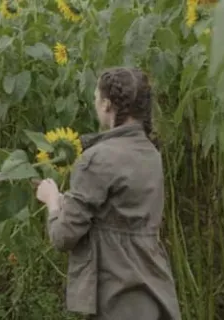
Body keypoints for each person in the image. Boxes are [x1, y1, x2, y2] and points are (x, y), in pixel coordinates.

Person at [35, 67, 181, 319]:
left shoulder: (98, 158)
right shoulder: (150, 152)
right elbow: (116, 213)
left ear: (106, 105)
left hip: (116, 292)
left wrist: (53, 202)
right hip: (152, 286)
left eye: (95, 98)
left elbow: (63, 236)